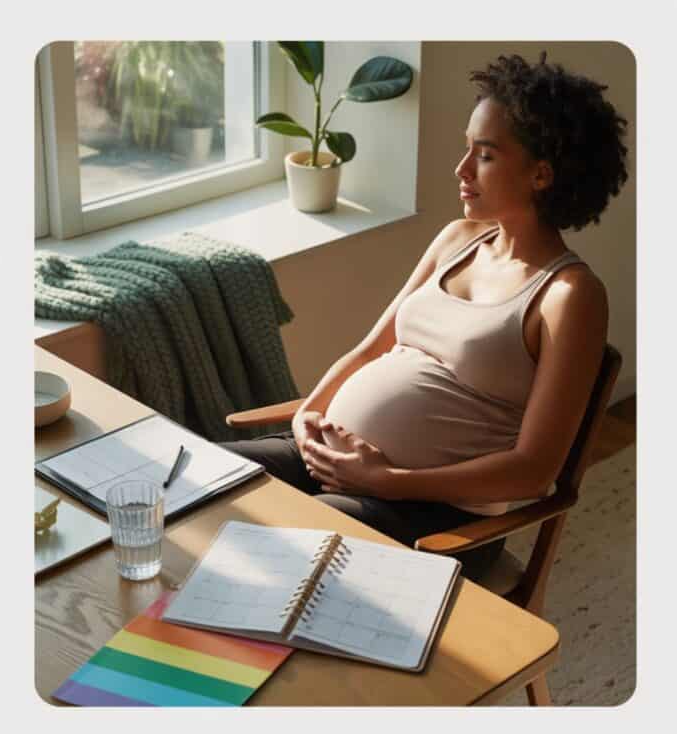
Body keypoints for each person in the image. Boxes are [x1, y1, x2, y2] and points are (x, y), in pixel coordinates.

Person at [225, 52, 629, 580]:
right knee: (202, 479)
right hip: (332, 461)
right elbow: (371, 349)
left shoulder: (569, 295)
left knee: (275, 554)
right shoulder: (457, 240)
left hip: (432, 514)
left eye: (484, 155)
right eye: (467, 149)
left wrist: (386, 479)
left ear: (541, 174)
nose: (461, 170)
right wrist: (307, 419)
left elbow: (534, 470)